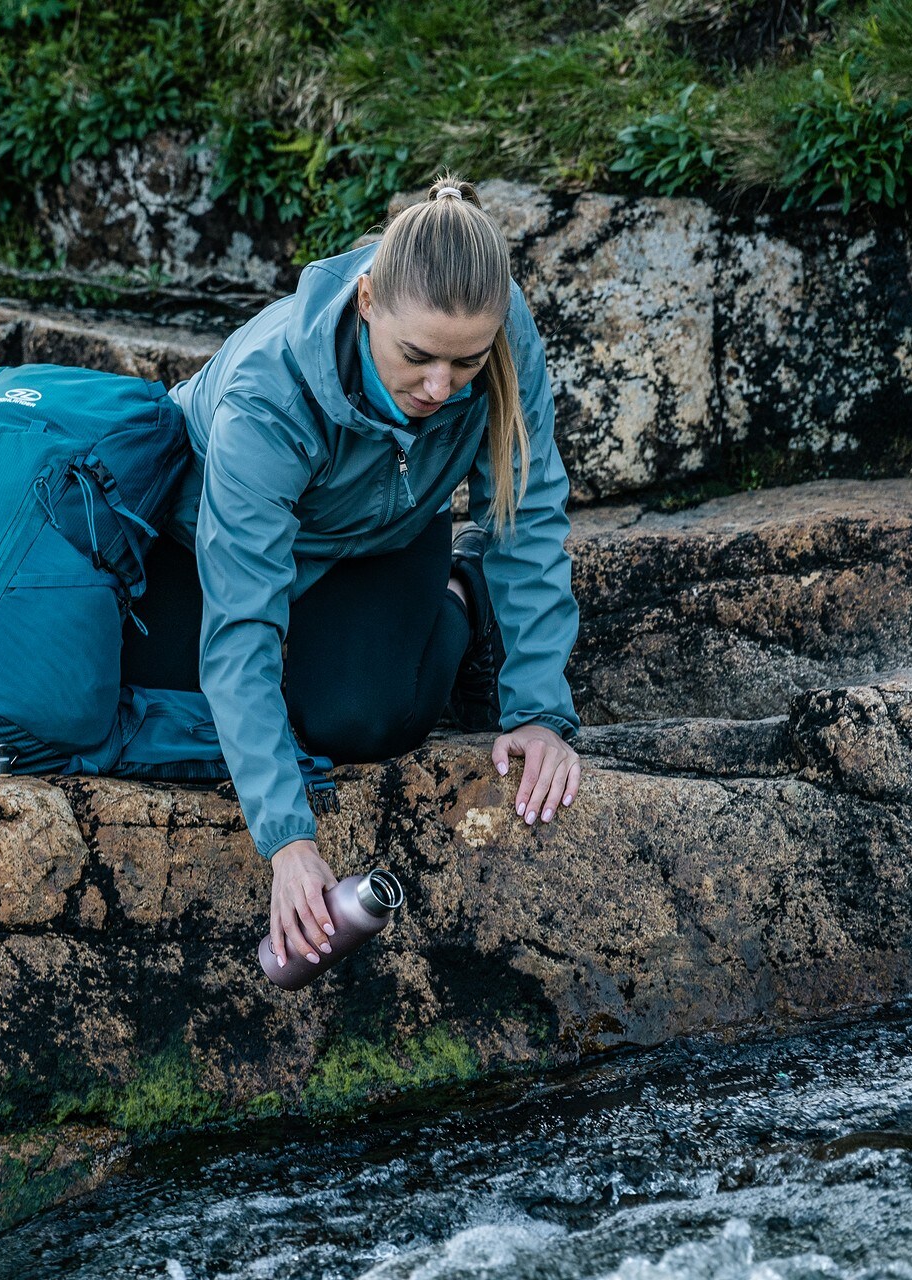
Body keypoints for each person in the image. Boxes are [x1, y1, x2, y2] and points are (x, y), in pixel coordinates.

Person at [119, 174, 582, 975]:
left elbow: (528, 511)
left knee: (362, 721)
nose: (439, 388)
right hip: (217, 548)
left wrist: (540, 710)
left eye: (465, 363)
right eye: (417, 357)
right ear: (367, 301)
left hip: (388, 539)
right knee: (137, 687)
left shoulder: (502, 330)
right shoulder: (270, 394)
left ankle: (461, 591)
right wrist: (289, 841)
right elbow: (241, 623)